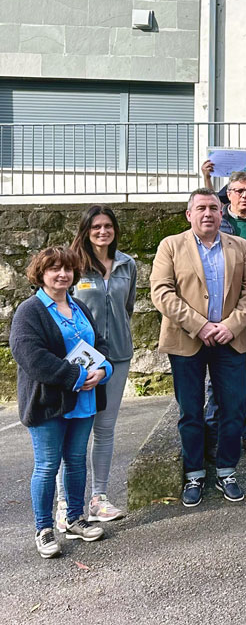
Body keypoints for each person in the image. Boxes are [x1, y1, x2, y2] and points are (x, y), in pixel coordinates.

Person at [150, 188, 246, 507]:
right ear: (189, 214)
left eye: (214, 207)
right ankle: (195, 473)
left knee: (233, 408)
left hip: (230, 339)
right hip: (187, 340)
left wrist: (230, 326)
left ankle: (226, 469)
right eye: (201, 208)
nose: (208, 213)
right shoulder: (170, 246)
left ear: (222, 212)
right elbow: (162, 293)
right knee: (190, 411)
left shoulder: (239, 247)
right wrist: (200, 325)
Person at [12, 246, 114, 557]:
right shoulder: (30, 311)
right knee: (46, 466)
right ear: (40, 274)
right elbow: (30, 356)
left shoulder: (79, 306)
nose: (62, 274)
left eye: (67, 269)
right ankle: (44, 529)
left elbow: (101, 343)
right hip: (48, 402)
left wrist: (104, 370)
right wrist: (78, 377)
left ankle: (74, 519)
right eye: (54, 268)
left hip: (83, 402)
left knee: (75, 461)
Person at [61, 206, 137, 524]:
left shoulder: (127, 264)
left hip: (116, 356)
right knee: (74, 431)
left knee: (105, 429)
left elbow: (128, 306)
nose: (103, 232)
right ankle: (67, 503)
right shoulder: (72, 265)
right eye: (96, 227)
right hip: (78, 361)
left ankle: (99, 498)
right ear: (86, 230)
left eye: (108, 226)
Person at [205, 171, 246, 464]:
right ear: (227, 194)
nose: (245, 196)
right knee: (218, 377)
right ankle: (215, 434)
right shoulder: (217, 223)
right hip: (221, 313)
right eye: (238, 191)